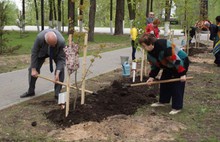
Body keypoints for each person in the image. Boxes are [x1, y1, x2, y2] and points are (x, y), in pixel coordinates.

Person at [138, 34, 189, 115]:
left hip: (180, 62)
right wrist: (152, 77)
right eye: (142, 46)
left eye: (144, 46)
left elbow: (176, 61)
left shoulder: (164, 47)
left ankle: (177, 107)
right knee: (164, 80)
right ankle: (163, 101)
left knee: (177, 84)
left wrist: (182, 74)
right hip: (168, 64)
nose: (143, 48)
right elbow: (155, 66)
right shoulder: (150, 55)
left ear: (151, 44)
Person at [20, 29, 66, 99]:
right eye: (52, 44)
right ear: (46, 41)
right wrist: (33, 69)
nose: (53, 45)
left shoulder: (61, 41)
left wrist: (57, 72)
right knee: (31, 69)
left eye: (55, 44)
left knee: (61, 70)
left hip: (56, 54)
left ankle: (57, 94)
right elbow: (34, 52)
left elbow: (61, 59)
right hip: (42, 52)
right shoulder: (39, 38)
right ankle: (31, 91)